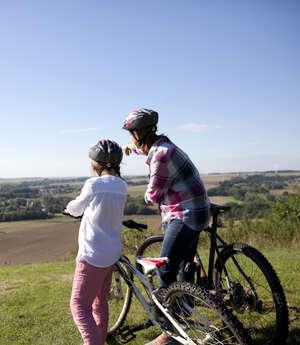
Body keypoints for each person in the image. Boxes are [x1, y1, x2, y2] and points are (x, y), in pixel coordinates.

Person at [122, 108, 210, 345]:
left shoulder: (161, 156)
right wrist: (134, 150)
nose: (130, 139)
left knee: (165, 270)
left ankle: (170, 333)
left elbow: (152, 195)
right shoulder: (165, 147)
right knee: (184, 268)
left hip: (184, 216)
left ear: (139, 133)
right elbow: (152, 156)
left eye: (131, 134)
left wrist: (143, 196)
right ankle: (185, 320)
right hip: (197, 214)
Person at [65, 139, 128, 345]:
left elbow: (76, 208)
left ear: (95, 164)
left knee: (79, 306)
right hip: (111, 253)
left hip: (92, 254)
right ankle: (100, 338)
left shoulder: (93, 184)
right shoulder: (122, 186)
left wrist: (69, 208)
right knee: (100, 301)